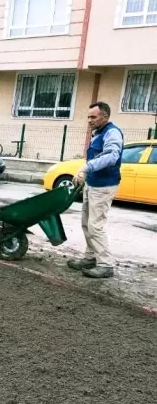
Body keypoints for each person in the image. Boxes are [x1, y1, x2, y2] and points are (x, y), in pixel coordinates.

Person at [68, 101, 123, 279]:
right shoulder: (98, 133)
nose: (89, 120)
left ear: (105, 116)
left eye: (93, 117)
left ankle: (105, 264)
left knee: (95, 225)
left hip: (104, 185)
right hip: (93, 184)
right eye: (88, 117)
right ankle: (90, 258)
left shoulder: (112, 132)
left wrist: (86, 168)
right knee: (86, 223)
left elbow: (111, 156)